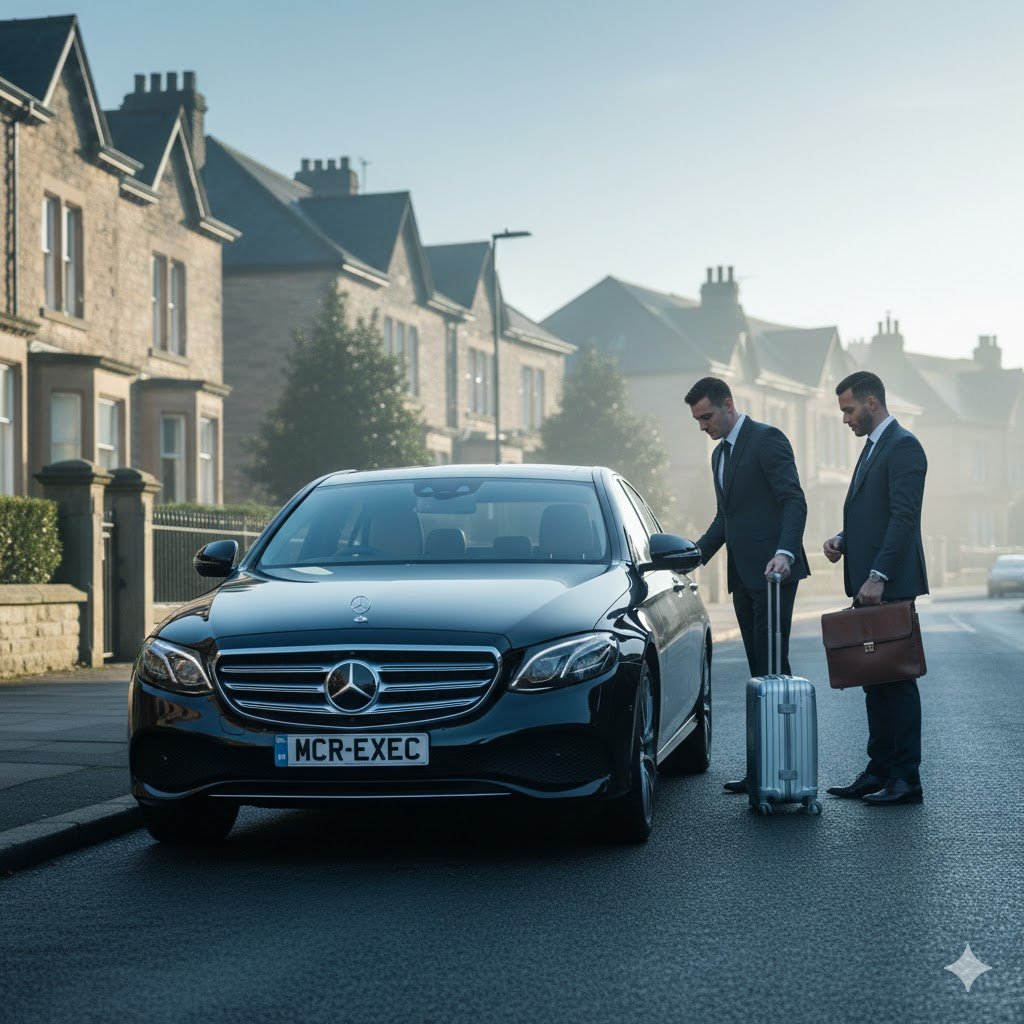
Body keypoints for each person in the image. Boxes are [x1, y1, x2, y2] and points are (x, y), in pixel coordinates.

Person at [685, 376, 810, 794]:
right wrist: (692, 556)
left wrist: (786, 553)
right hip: (742, 576)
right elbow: (726, 518)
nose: (703, 426)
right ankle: (764, 770)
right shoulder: (719, 455)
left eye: (707, 417)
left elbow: (793, 500)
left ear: (728, 405)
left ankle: (787, 772)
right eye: (697, 420)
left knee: (774, 669)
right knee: (759, 672)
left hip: (775, 574)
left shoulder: (767, 440)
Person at [823, 370, 928, 806]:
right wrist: (843, 540)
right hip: (870, 584)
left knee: (897, 682)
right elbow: (874, 514)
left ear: (871, 403)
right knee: (874, 680)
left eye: (849, 409)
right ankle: (879, 771)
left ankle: (906, 780)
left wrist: (879, 575)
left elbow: (903, 517)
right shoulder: (873, 447)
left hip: (889, 584)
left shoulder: (903, 446)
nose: (845, 418)